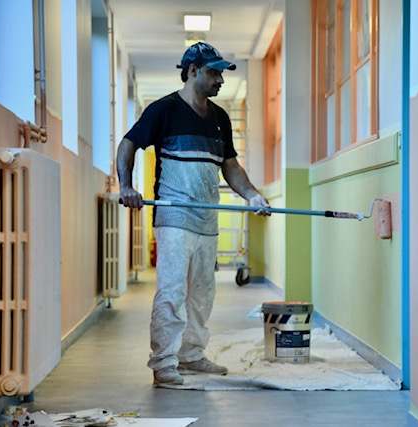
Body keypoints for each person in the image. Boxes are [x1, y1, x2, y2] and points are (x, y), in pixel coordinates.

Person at [117, 42, 270, 386]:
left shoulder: (219, 118)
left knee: (202, 292)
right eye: (214, 72)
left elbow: (230, 166)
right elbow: (128, 144)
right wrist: (126, 186)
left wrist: (252, 195)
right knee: (172, 291)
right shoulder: (164, 110)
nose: (220, 80)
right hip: (174, 217)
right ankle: (164, 363)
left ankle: (191, 354)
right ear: (193, 71)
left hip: (207, 220)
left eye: (221, 73)